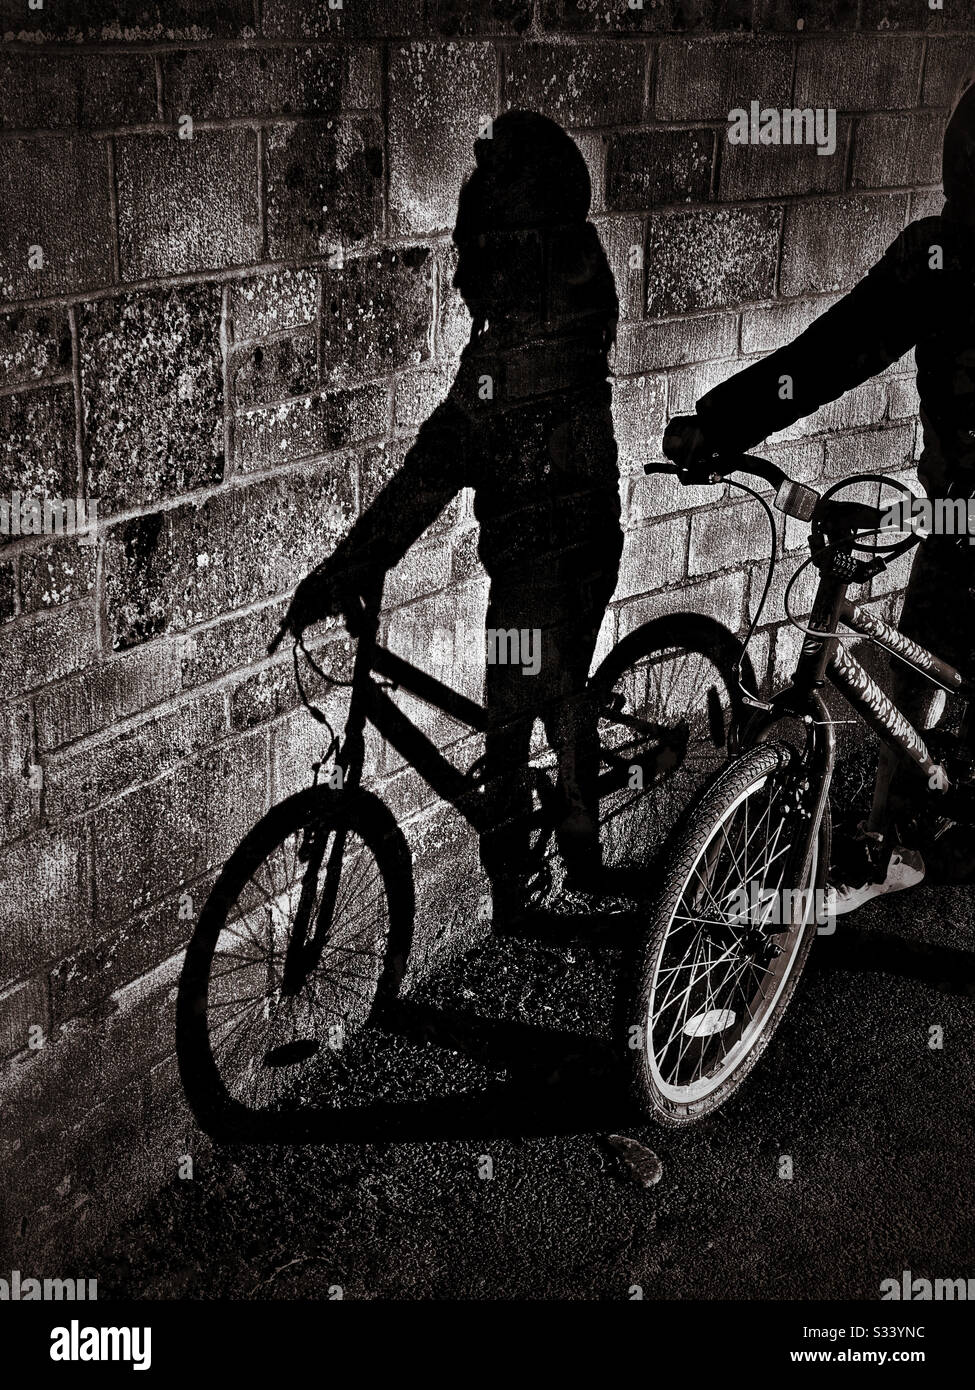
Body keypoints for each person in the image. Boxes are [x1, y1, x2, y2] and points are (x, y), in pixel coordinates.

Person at [283, 111, 624, 924]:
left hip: (542, 561)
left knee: (514, 705)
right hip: (577, 545)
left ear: (506, 256)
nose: (464, 274)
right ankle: (562, 840)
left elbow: (429, 471)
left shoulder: (502, 366)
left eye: (474, 253)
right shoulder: (578, 289)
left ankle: (539, 874)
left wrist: (350, 567)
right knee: (540, 686)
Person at [663, 80, 975, 912]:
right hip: (959, 521)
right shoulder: (938, 259)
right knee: (911, 699)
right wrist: (720, 425)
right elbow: (829, 353)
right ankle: (890, 849)